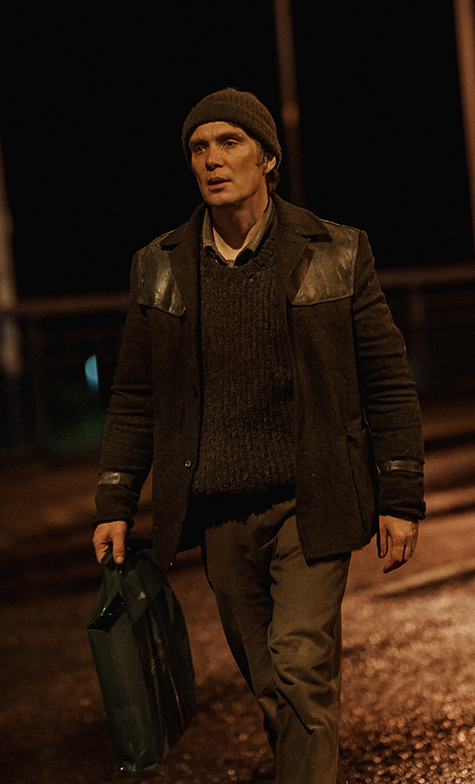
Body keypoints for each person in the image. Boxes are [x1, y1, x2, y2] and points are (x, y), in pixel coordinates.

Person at [92, 87, 425, 783]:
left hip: (312, 499)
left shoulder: (336, 250)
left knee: (300, 665)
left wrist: (400, 494)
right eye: (198, 148)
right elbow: (134, 394)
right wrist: (115, 501)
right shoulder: (159, 264)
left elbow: (387, 379)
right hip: (219, 512)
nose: (212, 159)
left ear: (267, 158)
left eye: (229, 142)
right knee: (272, 682)